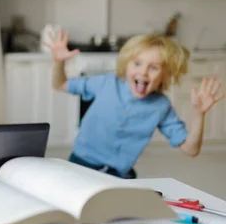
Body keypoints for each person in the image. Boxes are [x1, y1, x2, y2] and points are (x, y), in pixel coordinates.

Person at [44, 29, 224, 179]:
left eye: (154, 67)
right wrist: (59, 62)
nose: (143, 72)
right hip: (80, 165)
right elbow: (60, 84)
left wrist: (198, 114)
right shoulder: (107, 83)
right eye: (137, 63)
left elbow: (191, 149)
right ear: (127, 64)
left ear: (165, 74)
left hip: (119, 176)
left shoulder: (161, 106)